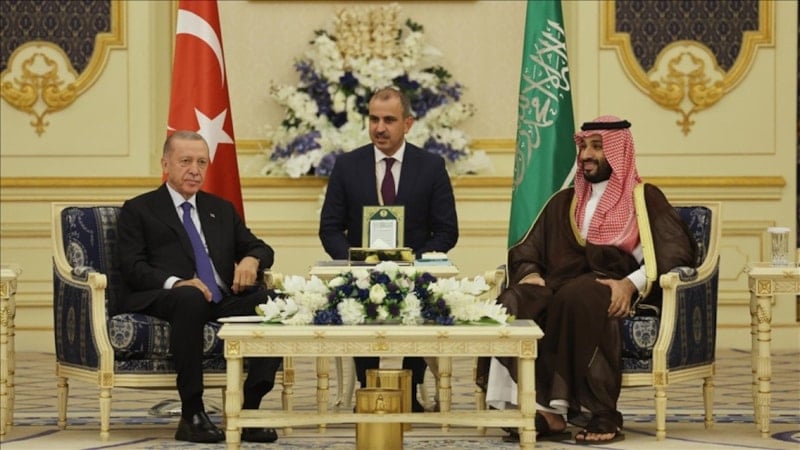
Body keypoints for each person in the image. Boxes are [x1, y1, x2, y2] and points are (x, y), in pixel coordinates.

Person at [477, 116, 697, 445]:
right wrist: (531, 274)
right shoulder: (563, 202)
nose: (586, 155)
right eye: (583, 147)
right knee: (512, 299)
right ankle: (529, 409)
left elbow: (674, 255)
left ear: (619, 151)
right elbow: (528, 249)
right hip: (556, 285)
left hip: (608, 285)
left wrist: (629, 285)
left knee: (577, 296)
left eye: (597, 147)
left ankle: (599, 412)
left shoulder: (644, 198)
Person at [117, 131, 282, 444]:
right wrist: (177, 282)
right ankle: (192, 414)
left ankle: (248, 411)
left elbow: (261, 248)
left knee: (277, 303)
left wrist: (251, 259)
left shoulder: (220, 209)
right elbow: (132, 267)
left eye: (202, 162)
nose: (195, 170)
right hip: (167, 296)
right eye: (186, 161)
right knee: (191, 297)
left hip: (220, 298)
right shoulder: (139, 209)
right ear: (165, 164)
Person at [319, 87, 459, 412]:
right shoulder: (347, 165)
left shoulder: (431, 166)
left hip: (414, 272)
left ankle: (409, 389)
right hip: (361, 273)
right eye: (374, 119)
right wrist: (355, 262)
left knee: (421, 293)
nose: (379, 128)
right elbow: (330, 228)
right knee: (357, 295)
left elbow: (447, 231)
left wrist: (413, 263)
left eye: (389, 120)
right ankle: (367, 389)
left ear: (408, 123)